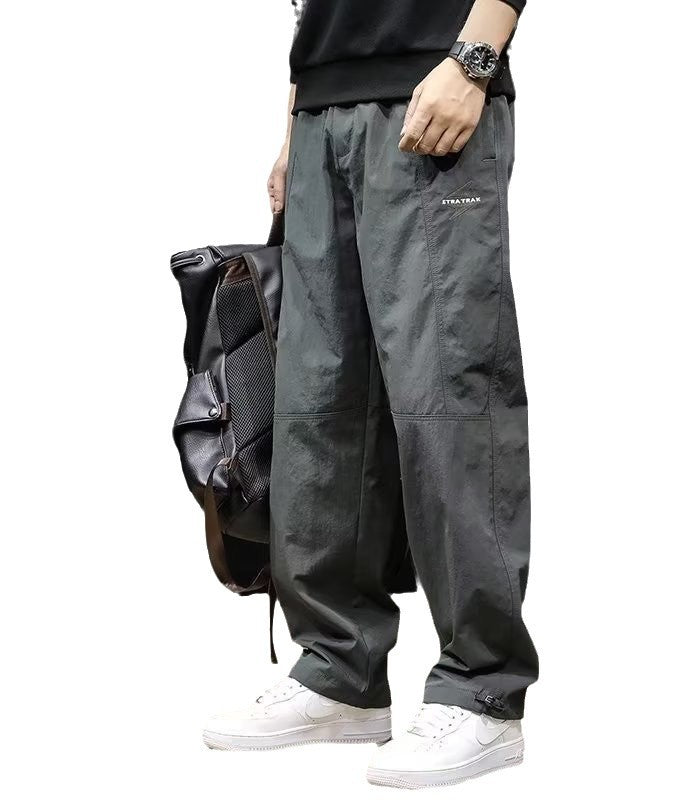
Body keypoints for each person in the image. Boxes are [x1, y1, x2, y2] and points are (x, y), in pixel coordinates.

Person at [203, 0, 539, 787]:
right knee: (319, 402)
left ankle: (483, 690)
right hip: (325, 105)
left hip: (433, 83)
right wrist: (296, 120)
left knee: (448, 395)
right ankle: (338, 670)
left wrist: (473, 61)